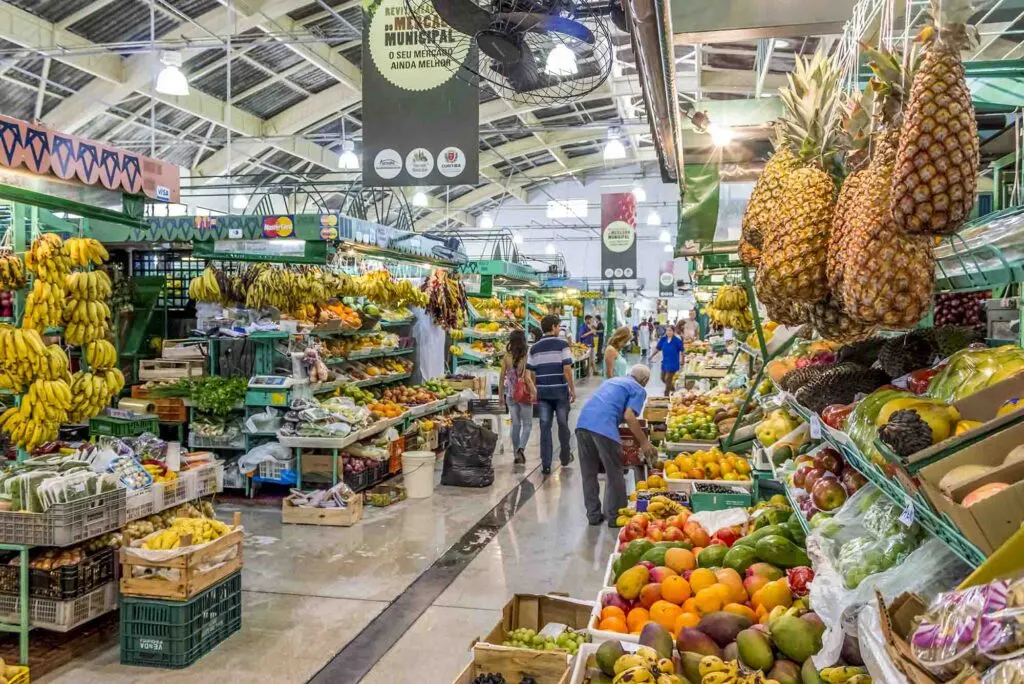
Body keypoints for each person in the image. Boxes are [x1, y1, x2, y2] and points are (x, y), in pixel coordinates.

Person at [576, 365, 658, 526]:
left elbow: (608, 405)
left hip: (583, 423)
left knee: (589, 473)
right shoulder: (639, 389)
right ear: (645, 380)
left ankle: (593, 515)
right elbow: (629, 416)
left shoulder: (613, 381)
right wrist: (644, 442)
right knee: (615, 473)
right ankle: (615, 517)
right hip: (603, 428)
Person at [527, 314, 577, 474]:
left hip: (543, 394)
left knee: (545, 427)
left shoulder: (533, 348)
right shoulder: (562, 344)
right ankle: (564, 456)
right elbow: (567, 368)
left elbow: (531, 372)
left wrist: (534, 390)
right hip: (561, 393)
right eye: (559, 326)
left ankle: (546, 464)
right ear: (554, 327)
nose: (559, 329)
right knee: (563, 424)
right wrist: (572, 389)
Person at [499, 330, 535, 465]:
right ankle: (521, 448)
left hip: (510, 394)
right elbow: (529, 377)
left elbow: (502, 376)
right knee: (527, 424)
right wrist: (534, 392)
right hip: (524, 393)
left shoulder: (507, 356)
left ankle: (515, 453)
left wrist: (500, 396)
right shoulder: (527, 355)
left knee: (515, 424)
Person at [650, 323, 685, 397]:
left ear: (673, 332)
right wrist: (652, 355)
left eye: (670, 331)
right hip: (665, 362)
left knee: (667, 379)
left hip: (673, 363)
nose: (668, 332)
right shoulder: (663, 340)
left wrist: (682, 360)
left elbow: (682, 351)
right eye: (667, 331)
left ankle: (666, 396)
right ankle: (673, 390)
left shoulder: (677, 341)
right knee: (662, 378)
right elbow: (658, 349)